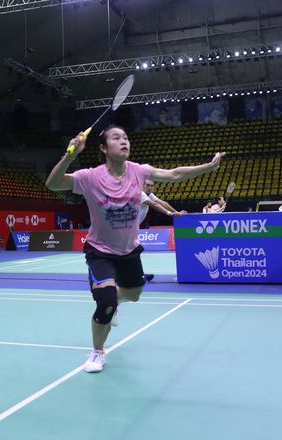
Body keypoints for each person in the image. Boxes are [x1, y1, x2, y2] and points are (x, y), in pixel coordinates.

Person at [45, 125, 225, 373]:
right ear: (103, 148)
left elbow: (173, 174)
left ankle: (116, 300)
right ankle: (97, 351)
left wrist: (208, 166)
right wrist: (70, 156)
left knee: (133, 294)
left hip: (129, 251)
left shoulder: (138, 172)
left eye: (126, 137)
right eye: (116, 138)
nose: (124, 141)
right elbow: (54, 184)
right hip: (99, 250)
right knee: (105, 301)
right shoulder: (90, 176)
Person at [136, 180, 185, 286]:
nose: (149, 187)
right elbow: (154, 205)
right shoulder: (140, 194)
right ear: (142, 186)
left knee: (134, 250)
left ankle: (137, 274)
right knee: (133, 250)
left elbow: (162, 202)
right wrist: (170, 213)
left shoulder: (149, 194)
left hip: (132, 228)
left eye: (151, 186)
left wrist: (176, 212)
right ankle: (135, 275)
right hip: (123, 228)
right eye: (147, 185)